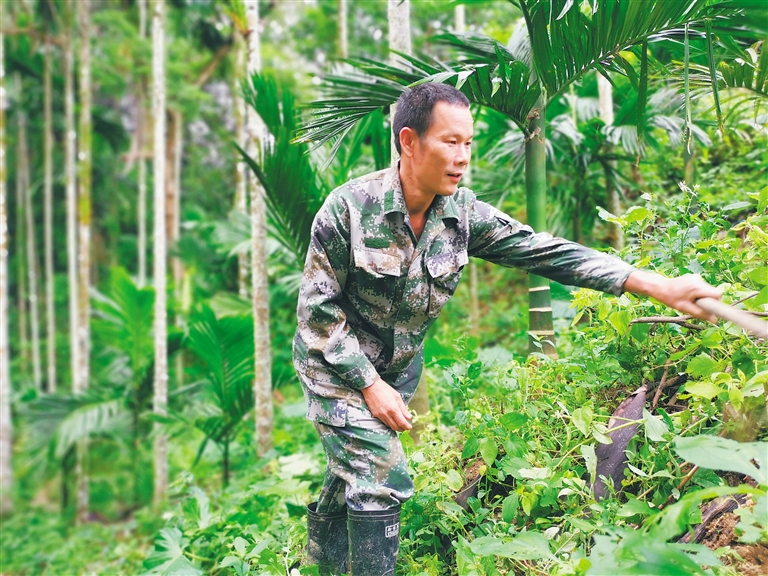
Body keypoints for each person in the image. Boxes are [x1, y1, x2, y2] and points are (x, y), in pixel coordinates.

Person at [294, 83, 721, 576]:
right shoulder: (348, 209)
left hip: (398, 372)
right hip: (334, 365)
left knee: (351, 466)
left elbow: (546, 251)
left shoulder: (463, 214)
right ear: (409, 141)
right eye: (449, 142)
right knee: (378, 471)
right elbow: (318, 314)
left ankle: (318, 565)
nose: (462, 157)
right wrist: (369, 386)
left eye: (469, 143)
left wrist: (656, 285)